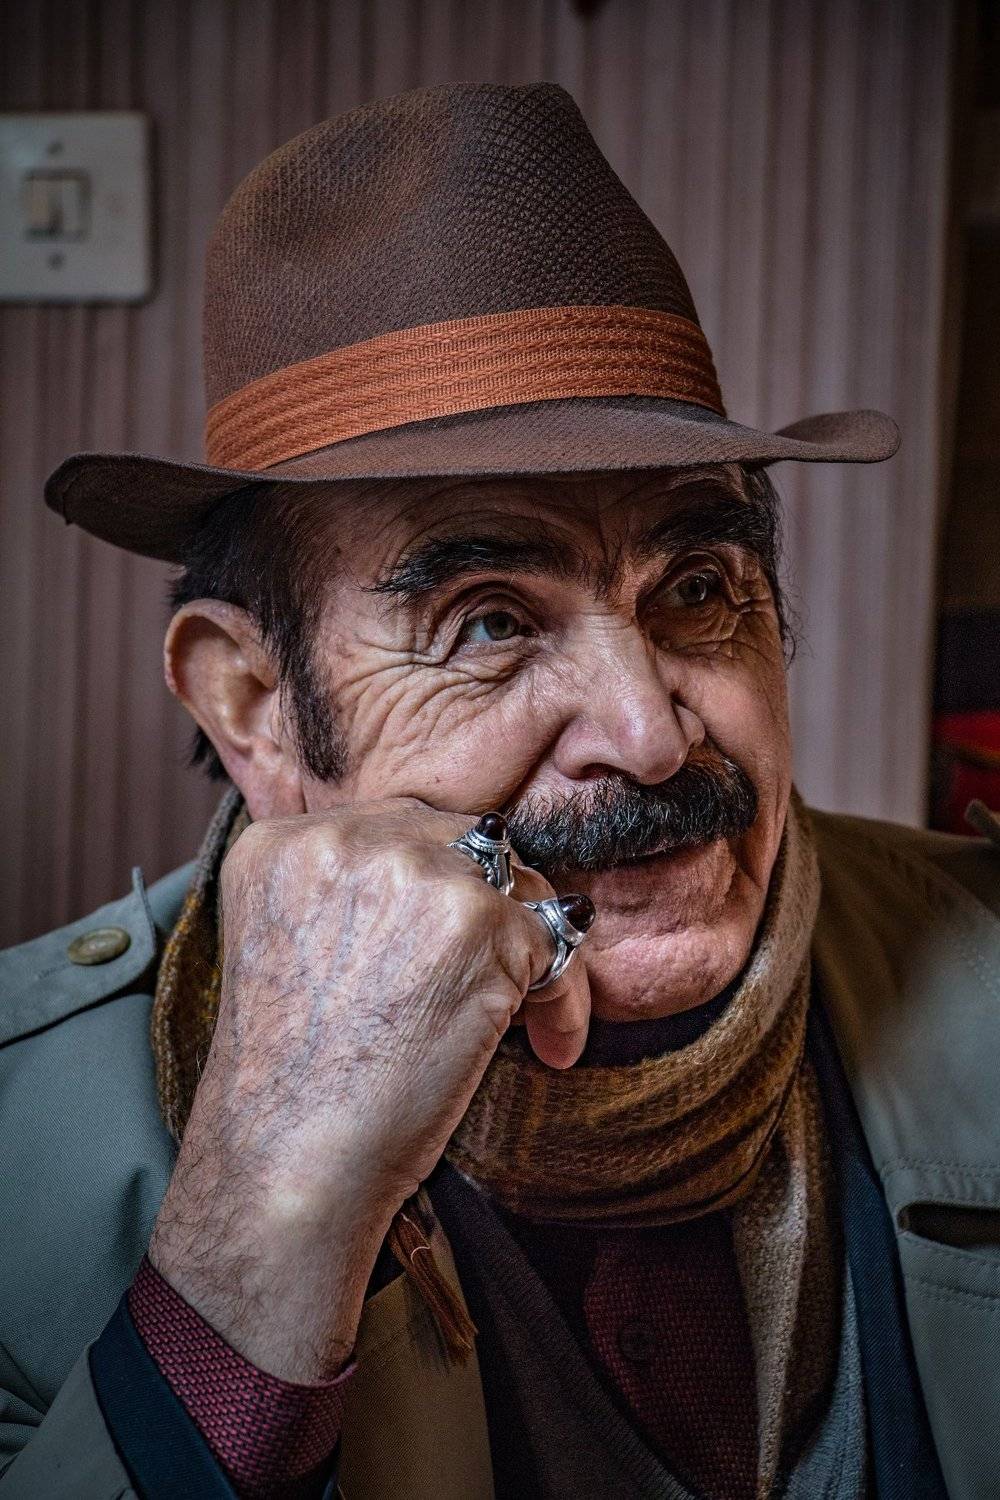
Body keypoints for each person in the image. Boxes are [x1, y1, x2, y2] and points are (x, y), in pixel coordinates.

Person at [1, 81, 996, 1500]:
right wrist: (265, 1216)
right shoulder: (18, 1145)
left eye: (698, 590)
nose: (649, 739)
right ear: (256, 706)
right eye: (489, 622)